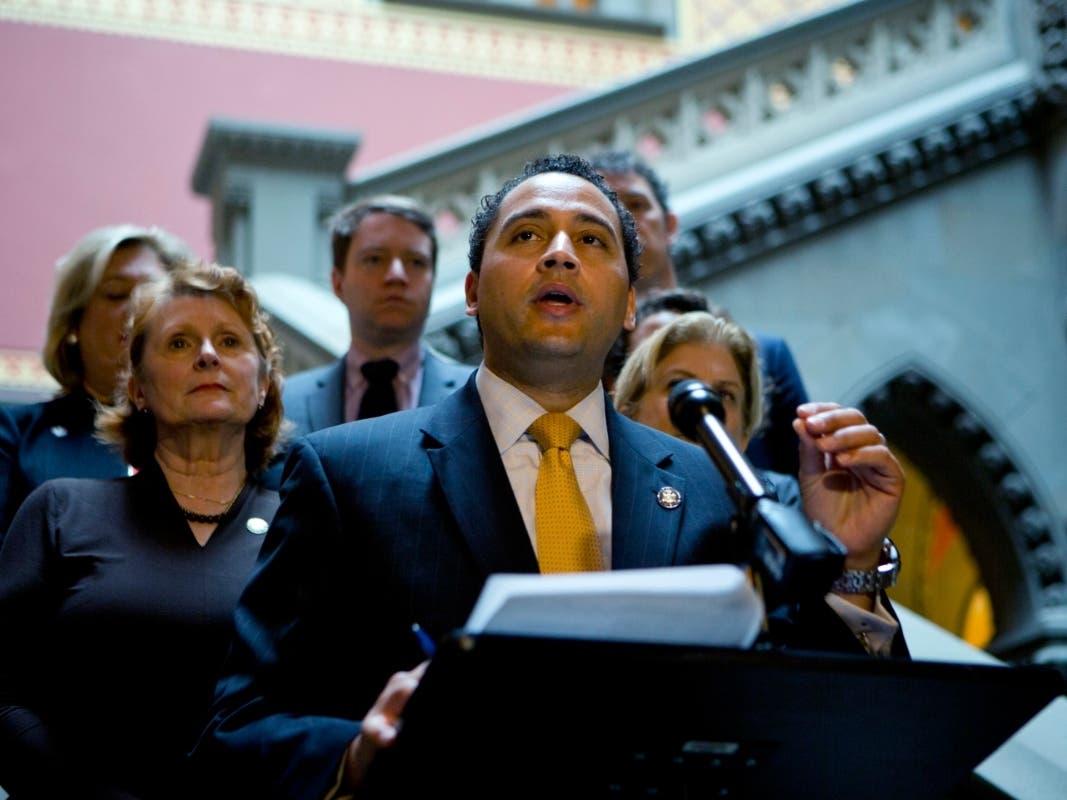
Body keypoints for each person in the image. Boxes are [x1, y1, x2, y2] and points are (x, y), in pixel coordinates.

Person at [193, 154, 907, 798]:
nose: (560, 253)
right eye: (528, 235)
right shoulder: (346, 473)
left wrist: (851, 565)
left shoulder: (712, 487)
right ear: (472, 291)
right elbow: (236, 730)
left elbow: (835, 732)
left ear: (630, 305)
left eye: (592, 241)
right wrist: (354, 757)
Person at [0, 262, 287, 799]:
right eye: (179, 343)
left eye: (229, 340)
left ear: (263, 383)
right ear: (137, 388)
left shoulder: (302, 525)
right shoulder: (61, 511)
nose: (207, 355)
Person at [589, 150, 809, 477]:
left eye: (636, 204)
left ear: (670, 225)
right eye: (605, 212)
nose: (623, 221)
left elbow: (804, 481)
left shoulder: (767, 355)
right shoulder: (583, 378)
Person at [0, 224, 194, 537]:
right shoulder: (18, 435)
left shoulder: (215, 434)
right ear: (73, 323)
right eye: (116, 294)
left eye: (154, 293)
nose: (138, 307)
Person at [281, 195, 474, 435]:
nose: (396, 275)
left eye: (416, 262)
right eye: (374, 259)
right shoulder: (283, 405)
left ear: (432, 281)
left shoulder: (475, 399)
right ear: (338, 283)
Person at [614, 309, 799, 505]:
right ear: (628, 416)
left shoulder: (779, 500)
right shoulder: (600, 506)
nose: (701, 405)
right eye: (678, 385)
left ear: (745, 435)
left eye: (724, 394)